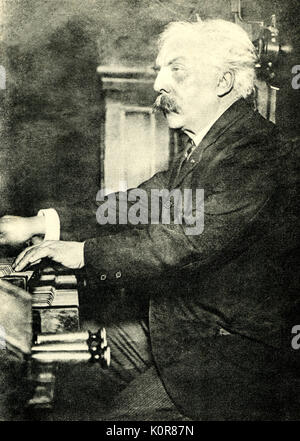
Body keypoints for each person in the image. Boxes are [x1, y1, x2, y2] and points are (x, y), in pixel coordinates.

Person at [0, 19, 299, 420]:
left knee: (117, 422)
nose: (159, 83)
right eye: (161, 70)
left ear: (223, 81)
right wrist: (41, 224)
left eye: (176, 70)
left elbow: (182, 244)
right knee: (73, 379)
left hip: (229, 358)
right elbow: (135, 203)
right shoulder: (210, 144)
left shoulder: (256, 154)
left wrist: (82, 252)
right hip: (183, 328)